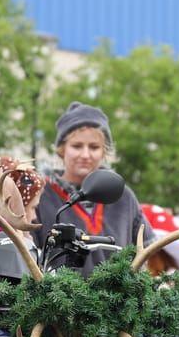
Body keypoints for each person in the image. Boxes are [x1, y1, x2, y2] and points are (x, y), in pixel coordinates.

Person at [34, 102, 151, 271]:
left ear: (104, 151)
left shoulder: (123, 196)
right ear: (61, 149)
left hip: (119, 296)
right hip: (57, 296)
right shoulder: (42, 196)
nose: (85, 154)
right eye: (77, 146)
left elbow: (148, 254)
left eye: (94, 147)